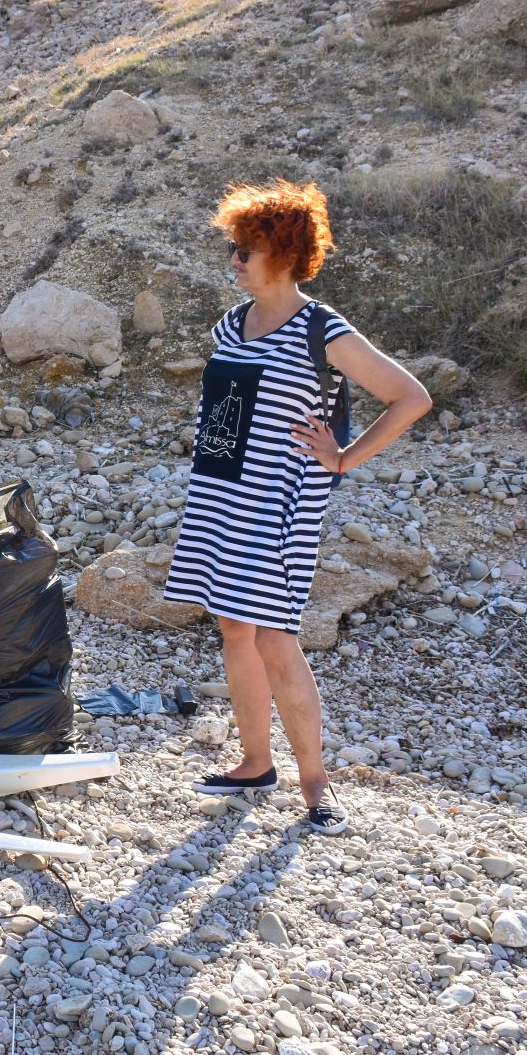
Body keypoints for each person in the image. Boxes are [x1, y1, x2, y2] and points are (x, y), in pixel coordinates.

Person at [162, 179, 431, 835]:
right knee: (232, 629)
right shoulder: (229, 324)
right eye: (233, 248)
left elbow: (410, 397)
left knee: (276, 641)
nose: (233, 261)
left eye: (244, 251)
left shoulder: (321, 329)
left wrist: (341, 457)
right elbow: (226, 415)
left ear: (281, 254)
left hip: (279, 509)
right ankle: (255, 763)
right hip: (221, 498)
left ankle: (316, 788)